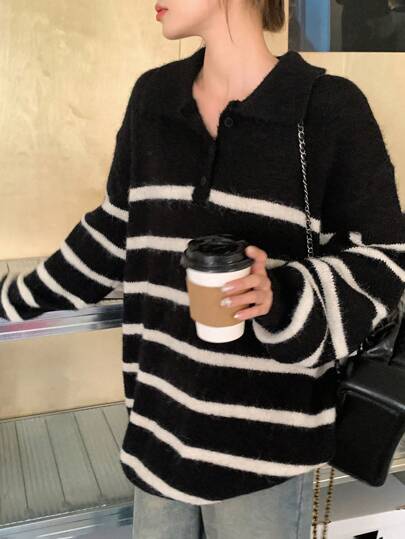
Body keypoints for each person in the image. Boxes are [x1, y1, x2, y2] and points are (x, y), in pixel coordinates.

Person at [2, 1, 405, 537]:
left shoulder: (327, 108)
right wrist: (11, 300)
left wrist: (281, 294)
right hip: (158, 434)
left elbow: (383, 256)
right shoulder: (154, 99)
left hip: (266, 451)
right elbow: (115, 229)